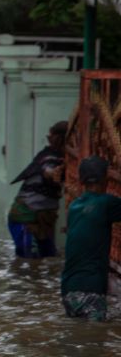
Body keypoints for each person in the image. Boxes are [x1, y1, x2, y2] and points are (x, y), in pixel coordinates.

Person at [61, 155, 121, 321]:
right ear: (106, 180)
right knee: (94, 341)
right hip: (91, 288)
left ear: (81, 182)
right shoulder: (106, 203)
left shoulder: (74, 207)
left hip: (68, 289)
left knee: (78, 339)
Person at [7, 121, 67, 258]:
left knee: (47, 257)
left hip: (41, 219)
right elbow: (47, 170)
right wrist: (53, 173)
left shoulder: (54, 156)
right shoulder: (50, 158)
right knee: (30, 261)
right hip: (27, 219)